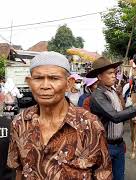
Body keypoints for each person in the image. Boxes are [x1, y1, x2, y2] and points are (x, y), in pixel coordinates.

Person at [7, 51, 112, 179]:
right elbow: (18, 171)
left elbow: (103, 173)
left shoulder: (90, 125)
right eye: (38, 78)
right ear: (29, 82)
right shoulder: (19, 123)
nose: (45, 86)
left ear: (69, 83)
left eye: (54, 78)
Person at [87, 57, 136, 180]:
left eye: (115, 73)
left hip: (118, 145)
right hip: (105, 147)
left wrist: (134, 107)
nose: (114, 76)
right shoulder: (98, 96)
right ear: (99, 77)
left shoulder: (113, 91)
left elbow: (121, 113)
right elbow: (115, 116)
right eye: (110, 73)